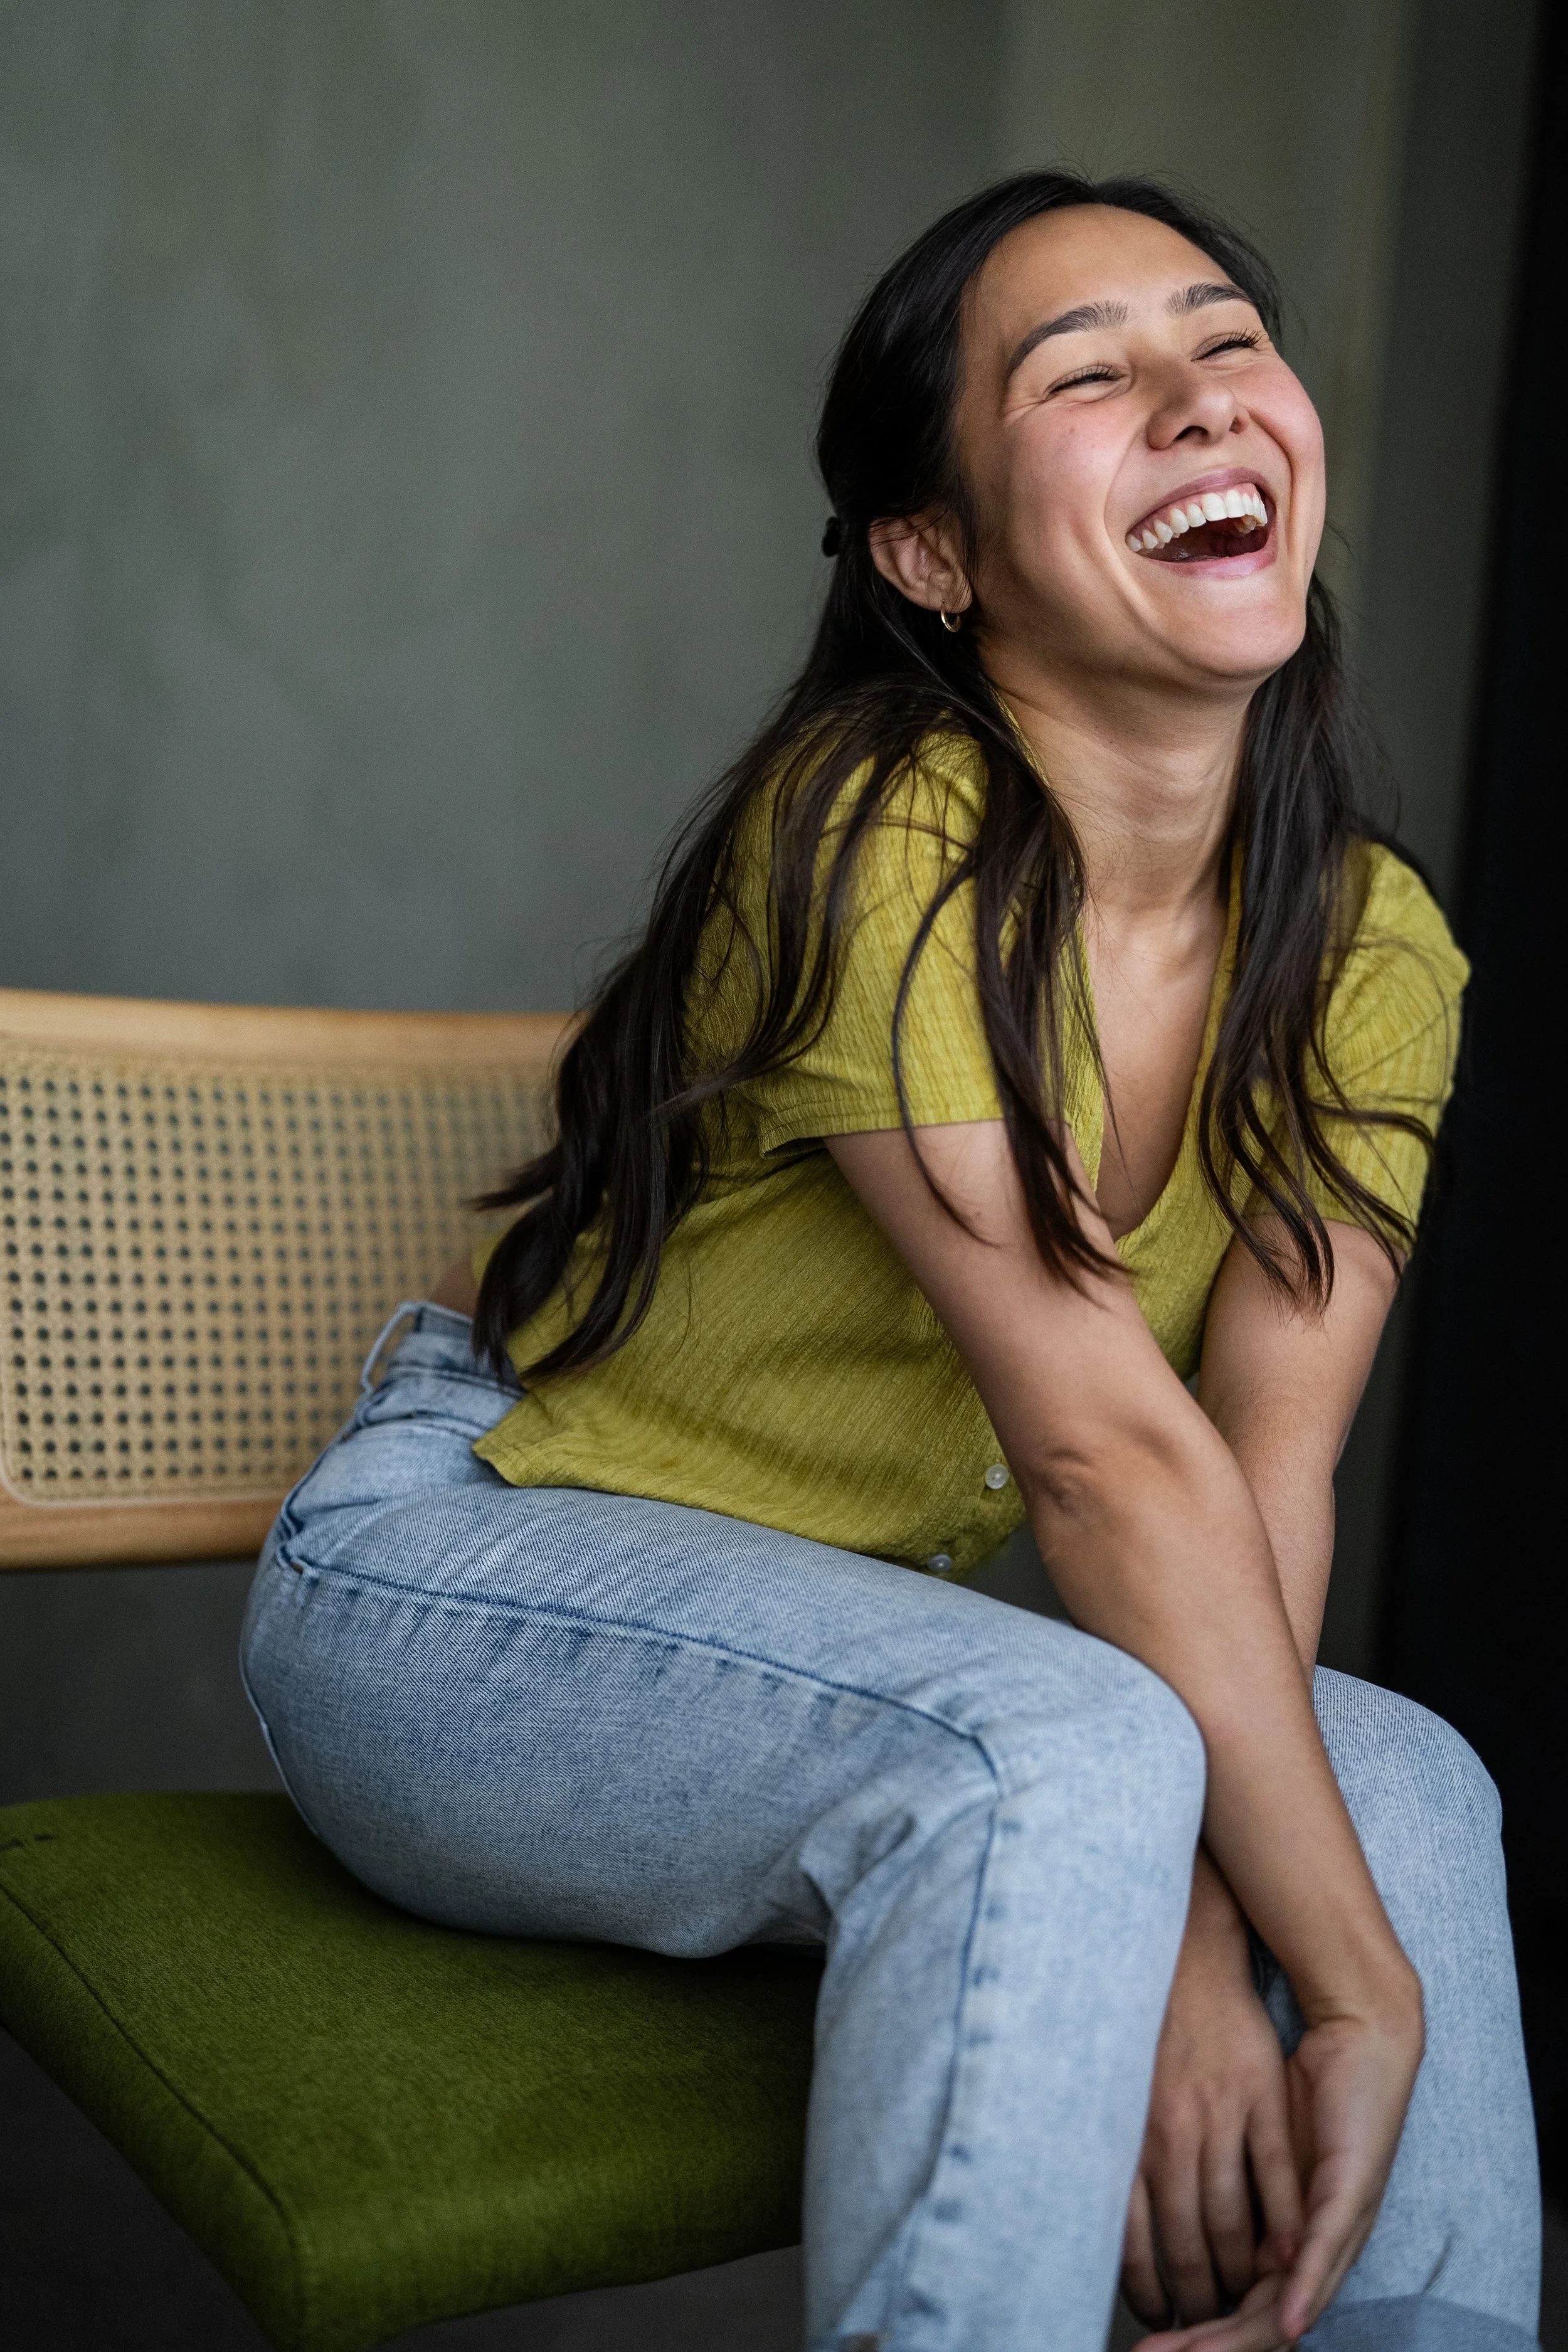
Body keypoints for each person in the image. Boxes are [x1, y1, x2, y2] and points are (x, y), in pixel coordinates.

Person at [241, 173, 1540, 2352]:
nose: (1198, 399)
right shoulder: (879, 828)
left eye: (1225, 340)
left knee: (1393, 1775)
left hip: (827, 1663)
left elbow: (1258, 1474)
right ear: (931, 556)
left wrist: (1227, 1938)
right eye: (1087, 374)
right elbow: (1105, 1459)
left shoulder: (1367, 946)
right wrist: (1337, 1982)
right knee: (1074, 1758)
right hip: (463, 1583)